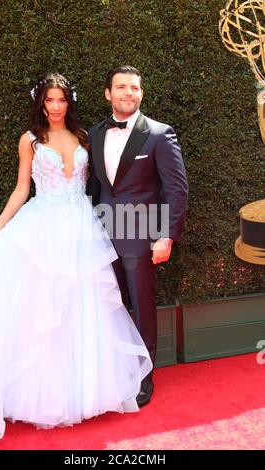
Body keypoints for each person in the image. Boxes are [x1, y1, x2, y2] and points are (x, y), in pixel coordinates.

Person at [0, 73, 152, 441]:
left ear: (69, 103)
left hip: (81, 229)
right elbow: (22, 189)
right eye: (49, 100)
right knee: (42, 308)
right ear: (40, 102)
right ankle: (40, 396)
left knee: (84, 309)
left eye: (61, 100)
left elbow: (100, 183)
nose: (54, 107)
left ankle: (84, 391)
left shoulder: (84, 138)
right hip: (43, 227)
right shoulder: (30, 141)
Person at [87, 65, 188, 407]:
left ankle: (144, 378)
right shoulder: (95, 133)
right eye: (121, 87)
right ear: (108, 94)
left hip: (142, 236)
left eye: (134, 88)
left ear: (141, 93)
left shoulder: (160, 134)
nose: (128, 92)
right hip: (102, 235)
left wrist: (166, 237)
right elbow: (96, 186)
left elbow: (177, 190)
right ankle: (115, 371)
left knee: (142, 308)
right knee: (109, 307)